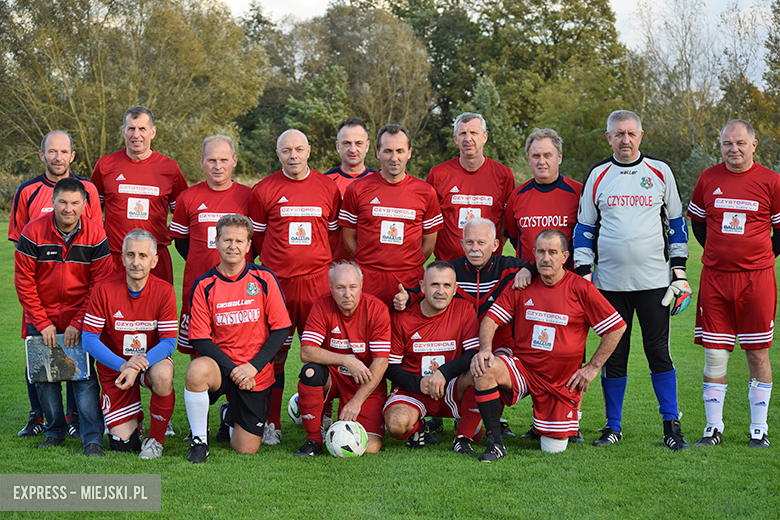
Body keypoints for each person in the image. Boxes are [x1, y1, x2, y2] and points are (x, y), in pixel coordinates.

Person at [573, 110, 692, 450]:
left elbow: (677, 225)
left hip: (655, 283)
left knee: (659, 353)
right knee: (615, 356)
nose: (625, 140)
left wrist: (679, 273)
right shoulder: (598, 175)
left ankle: (671, 426)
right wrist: (584, 275)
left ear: (641, 136)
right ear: (608, 138)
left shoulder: (660, 171)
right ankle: (613, 427)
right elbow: (584, 230)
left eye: (631, 133)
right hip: (609, 286)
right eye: (618, 134)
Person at [471, 229, 626, 460]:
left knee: (553, 448)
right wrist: (485, 350)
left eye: (553, 252)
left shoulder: (580, 288)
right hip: (524, 369)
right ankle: (495, 442)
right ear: (533, 254)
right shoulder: (522, 285)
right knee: (484, 369)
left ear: (565, 256)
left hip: (561, 381)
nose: (546, 258)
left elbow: (616, 327)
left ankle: (546, 425)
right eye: (541, 252)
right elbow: (491, 319)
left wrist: (592, 367)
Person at [393, 217, 535, 439]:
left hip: (498, 342)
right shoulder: (454, 269)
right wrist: (408, 296)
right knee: (468, 367)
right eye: (469, 242)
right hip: (464, 341)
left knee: (487, 367)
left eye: (481, 242)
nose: (475, 249)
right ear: (461, 244)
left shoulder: (509, 267)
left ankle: (490, 423)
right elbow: (429, 287)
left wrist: (529, 271)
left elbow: (545, 266)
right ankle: (453, 418)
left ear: (495, 245)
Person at [687, 119, 779, 448]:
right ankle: (713, 428)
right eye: (727, 143)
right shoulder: (708, 178)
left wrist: (759, 258)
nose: (733, 149)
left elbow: (779, 232)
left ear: (754, 145)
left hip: (757, 280)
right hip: (715, 279)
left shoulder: (771, 181)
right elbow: (698, 224)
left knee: (757, 354)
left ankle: (759, 428)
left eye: (740, 143)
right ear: (721, 146)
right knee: (714, 355)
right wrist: (718, 252)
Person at [248, 129, 341, 445]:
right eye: (286, 150)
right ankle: (271, 422)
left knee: (321, 353)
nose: (293, 156)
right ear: (278, 153)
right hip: (278, 286)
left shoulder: (328, 188)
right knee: (275, 356)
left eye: (299, 149)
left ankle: (322, 413)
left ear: (309, 151)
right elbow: (258, 239)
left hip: (317, 284)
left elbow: (332, 236)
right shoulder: (263, 190)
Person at [9, 130, 102, 439]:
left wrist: (81, 318)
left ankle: (76, 418)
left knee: (78, 363)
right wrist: (38, 315)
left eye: (64, 151)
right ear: (42, 155)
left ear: (72, 155)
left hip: (78, 304)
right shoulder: (28, 191)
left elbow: (94, 248)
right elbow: (22, 255)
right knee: (36, 355)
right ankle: (41, 418)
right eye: (52, 151)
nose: (58, 157)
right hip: (40, 298)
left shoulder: (87, 189)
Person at [14, 177, 114, 456]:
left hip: (79, 319)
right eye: (62, 202)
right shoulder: (33, 232)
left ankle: (92, 438)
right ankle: (55, 431)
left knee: (83, 379)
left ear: (84, 204)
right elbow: (24, 281)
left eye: (74, 203)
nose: (68, 208)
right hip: (41, 316)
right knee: (46, 379)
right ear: (53, 202)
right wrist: (42, 322)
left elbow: (99, 285)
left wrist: (78, 323)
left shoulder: (96, 235)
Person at [183, 214, 291, 463]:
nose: (233, 246)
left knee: (246, 448)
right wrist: (235, 371)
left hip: (255, 373)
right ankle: (200, 440)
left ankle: (228, 415)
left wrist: (251, 368)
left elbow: (281, 329)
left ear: (249, 245)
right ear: (216, 241)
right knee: (196, 370)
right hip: (222, 369)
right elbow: (199, 339)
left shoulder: (264, 279)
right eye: (227, 240)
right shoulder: (204, 284)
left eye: (239, 241)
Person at [82, 230, 177, 459]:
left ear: (154, 261)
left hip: (148, 363)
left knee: (164, 375)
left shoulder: (164, 290)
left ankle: (156, 439)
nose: (136, 262)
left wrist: (135, 366)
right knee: (124, 445)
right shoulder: (104, 288)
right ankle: (136, 421)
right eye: (130, 254)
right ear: (122, 258)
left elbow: (168, 342)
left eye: (143, 256)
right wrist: (123, 365)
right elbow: (89, 338)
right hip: (116, 368)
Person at [383, 261, 483, 453]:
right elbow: (390, 367)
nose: (440, 291)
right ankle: (418, 427)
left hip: (452, 387)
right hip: (413, 390)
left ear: (455, 289)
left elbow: (473, 354)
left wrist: (443, 373)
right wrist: (418, 384)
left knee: (481, 370)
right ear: (422, 286)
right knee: (396, 424)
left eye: (447, 285)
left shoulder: (464, 310)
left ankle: (462, 434)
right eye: (434, 284)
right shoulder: (402, 318)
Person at [294, 261, 390, 456]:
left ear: (361, 287)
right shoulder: (322, 305)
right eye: (340, 288)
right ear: (331, 288)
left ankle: (314, 405)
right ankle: (314, 439)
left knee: (370, 447)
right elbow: (306, 352)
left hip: (363, 381)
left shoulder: (377, 310)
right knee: (310, 372)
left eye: (353, 287)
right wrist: (346, 360)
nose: (347, 295)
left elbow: (381, 362)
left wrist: (357, 401)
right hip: (334, 376)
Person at [340, 124, 443, 305]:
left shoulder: (426, 192)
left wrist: (409, 264)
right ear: (378, 152)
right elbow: (348, 237)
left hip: (409, 281)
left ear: (409, 153)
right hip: (368, 280)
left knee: (405, 332)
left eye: (400, 151)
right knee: (368, 332)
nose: (394, 158)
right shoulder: (357, 189)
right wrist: (368, 262)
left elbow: (429, 242)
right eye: (388, 151)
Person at [170, 135, 252, 357]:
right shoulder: (187, 198)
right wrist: (203, 261)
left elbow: (256, 243)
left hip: (240, 291)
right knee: (200, 354)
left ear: (234, 161)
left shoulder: (250, 197)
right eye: (212, 160)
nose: (218, 166)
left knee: (242, 352)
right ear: (202, 161)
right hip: (200, 288)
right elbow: (182, 243)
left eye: (224, 160)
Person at [91, 106, 188, 284]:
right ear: (123, 131)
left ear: (153, 132)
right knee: (111, 310)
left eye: (142, 129)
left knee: (156, 310)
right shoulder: (105, 165)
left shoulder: (170, 169)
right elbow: (92, 213)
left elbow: (183, 214)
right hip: (115, 257)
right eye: (131, 128)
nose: (136, 135)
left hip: (154, 258)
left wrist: (166, 234)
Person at [426, 112, 515, 262]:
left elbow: (507, 221)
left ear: (484, 137)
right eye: (462, 133)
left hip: (489, 266)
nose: (468, 139)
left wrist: (491, 248)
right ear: (455, 139)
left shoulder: (503, 175)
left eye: (474, 133)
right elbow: (428, 221)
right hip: (448, 266)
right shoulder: (438, 174)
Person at [505, 128, 582, 264]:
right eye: (536, 156)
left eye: (547, 155)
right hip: (528, 279)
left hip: (566, 279)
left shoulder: (578, 193)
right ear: (529, 159)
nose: (541, 161)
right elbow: (514, 238)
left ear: (559, 157)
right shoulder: (517, 196)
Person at [324, 118, 377, 262]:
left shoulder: (381, 182)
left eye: (358, 143)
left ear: (367, 146)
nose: (353, 149)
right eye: (346, 143)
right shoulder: (324, 183)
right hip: (332, 266)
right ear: (337, 146)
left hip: (371, 265)